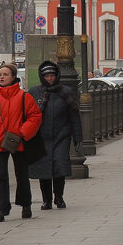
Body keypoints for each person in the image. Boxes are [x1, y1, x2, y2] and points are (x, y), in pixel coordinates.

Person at [0, 63, 42, 222]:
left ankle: (26, 204)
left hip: (18, 140)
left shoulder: (24, 97)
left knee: (22, 175)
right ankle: (0, 209)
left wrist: (22, 132)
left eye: (5, 74)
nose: (1, 77)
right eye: (0, 74)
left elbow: (35, 117)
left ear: (13, 77)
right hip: (0, 141)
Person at [28, 60, 82, 210]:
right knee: (44, 168)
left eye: (52, 75)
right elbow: (29, 116)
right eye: (47, 76)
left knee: (59, 165)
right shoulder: (34, 92)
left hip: (61, 135)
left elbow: (74, 116)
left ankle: (59, 197)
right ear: (41, 76)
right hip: (41, 136)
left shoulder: (66, 92)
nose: (50, 78)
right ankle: (46, 200)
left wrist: (77, 136)